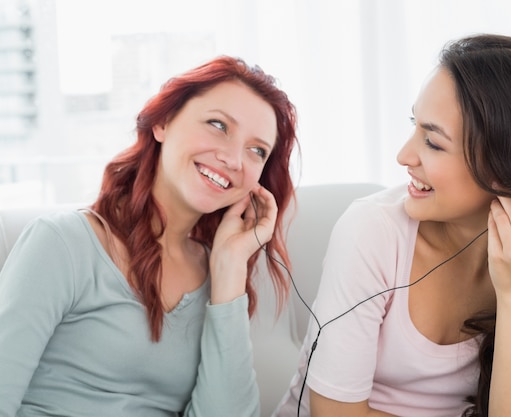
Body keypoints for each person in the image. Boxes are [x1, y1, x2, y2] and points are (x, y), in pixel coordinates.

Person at [273, 34, 511, 417]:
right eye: (415, 125)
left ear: (507, 170)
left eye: (432, 141)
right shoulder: (372, 232)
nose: (403, 156)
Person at [0, 56, 299, 416]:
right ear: (163, 122)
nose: (234, 159)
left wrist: (229, 267)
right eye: (218, 124)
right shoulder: (63, 244)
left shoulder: (219, 279)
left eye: (257, 150)